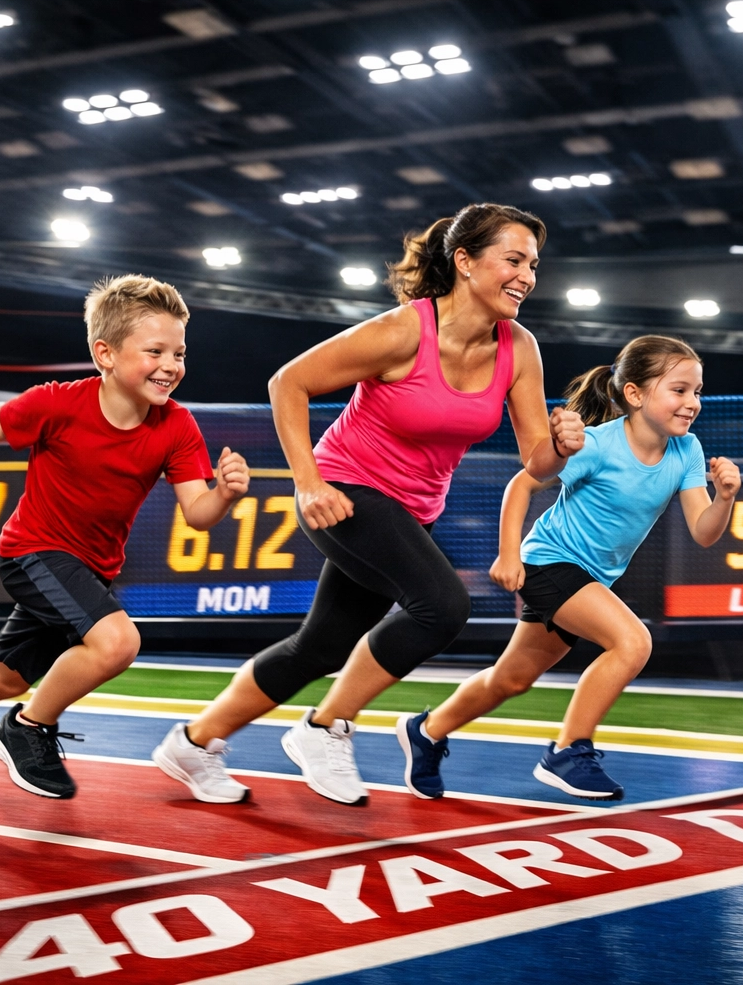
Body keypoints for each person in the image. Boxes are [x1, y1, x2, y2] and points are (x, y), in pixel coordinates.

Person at [153, 202, 585, 806]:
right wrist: (307, 483)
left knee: (321, 645)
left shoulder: (520, 348)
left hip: (412, 510)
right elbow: (288, 383)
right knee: (442, 606)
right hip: (346, 489)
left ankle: (194, 742)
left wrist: (560, 448)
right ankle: (325, 727)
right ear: (464, 262)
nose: (527, 277)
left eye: (533, 265)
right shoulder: (405, 330)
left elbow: (535, 458)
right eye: (513, 260)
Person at [0, 275, 249, 805]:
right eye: (155, 350)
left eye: (179, 353)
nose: (171, 365)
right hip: (33, 552)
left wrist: (225, 494)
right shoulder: (58, 403)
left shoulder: (177, 426)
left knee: (3, 677)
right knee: (117, 642)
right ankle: (27, 727)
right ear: (105, 353)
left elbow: (198, 514)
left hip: (92, 568)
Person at [398, 338, 740, 801]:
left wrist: (724, 499)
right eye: (679, 390)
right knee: (632, 641)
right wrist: (508, 555)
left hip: (589, 578)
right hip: (549, 563)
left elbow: (703, 531)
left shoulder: (687, 452)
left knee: (512, 678)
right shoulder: (597, 446)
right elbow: (521, 486)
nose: (692, 403)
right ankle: (568, 751)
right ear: (635, 395)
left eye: (697, 392)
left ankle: (427, 731)